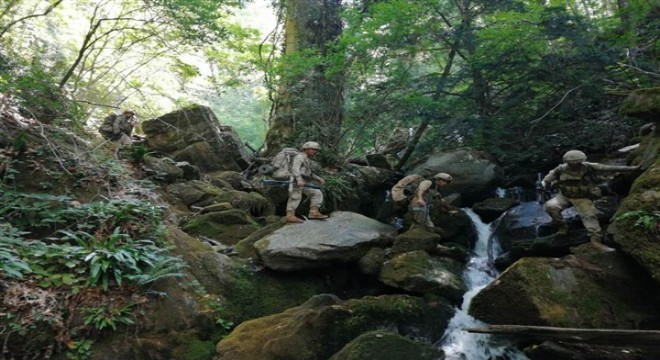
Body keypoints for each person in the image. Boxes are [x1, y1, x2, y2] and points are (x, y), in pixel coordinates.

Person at [541, 150, 640, 251]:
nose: (575, 164)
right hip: (564, 195)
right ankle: (562, 227)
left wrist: (632, 168)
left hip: (583, 197)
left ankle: (596, 241)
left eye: (578, 162)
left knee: (589, 217)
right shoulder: (560, 169)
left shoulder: (588, 166)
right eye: (572, 162)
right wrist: (544, 183)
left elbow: (608, 168)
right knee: (550, 206)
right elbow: (548, 178)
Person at [280, 141, 328, 224]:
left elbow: (308, 172)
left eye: (315, 150)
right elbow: (295, 169)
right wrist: (298, 179)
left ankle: (314, 212)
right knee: (295, 197)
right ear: (307, 149)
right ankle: (290, 216)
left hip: (303, 182)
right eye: (313, 149)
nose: (315, 152)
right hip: (296, 181)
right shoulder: (300, 157)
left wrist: (318, 178)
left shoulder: (306, 159)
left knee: (316, 193)